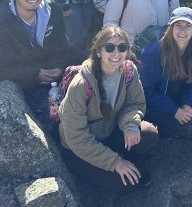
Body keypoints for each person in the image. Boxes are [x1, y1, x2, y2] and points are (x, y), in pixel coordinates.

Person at [59, 26, 159, 192]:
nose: (116, 53)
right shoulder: (81, 85)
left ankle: (129, 159)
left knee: (149, 134)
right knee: (123, 184)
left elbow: (134, 103)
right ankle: (120, 162)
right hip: (77, 148)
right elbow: (76, 138)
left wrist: (130, 125)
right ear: (99, 52)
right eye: (110, 47)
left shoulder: (128, 71)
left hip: (108, 132)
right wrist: (114, 162)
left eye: (121, 47)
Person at [140, 7, 192, 139]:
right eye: (178, 25)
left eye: (187, 25)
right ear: (170, 27)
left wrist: (188, 104)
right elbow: (146, 92)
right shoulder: (155, 51)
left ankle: (181, 115)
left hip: (174, 92)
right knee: (168, 125)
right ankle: (178, 125)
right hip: (153, 100)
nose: (183, 30)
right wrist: (174, 110)